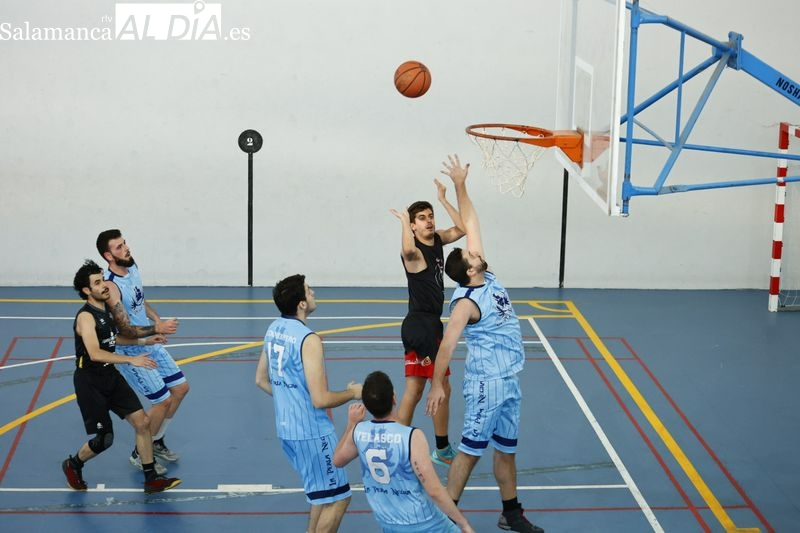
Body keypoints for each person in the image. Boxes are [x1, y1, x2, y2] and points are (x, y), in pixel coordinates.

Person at [425, 155, 545, 533]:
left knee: (506, 450)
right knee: (469, 452)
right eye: (471, 254)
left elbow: (471, 221)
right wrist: (436, 384)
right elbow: (446, 345)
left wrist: (460, 185)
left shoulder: (486, 277)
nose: (475, 249)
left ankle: (510, 513)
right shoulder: (465, 303)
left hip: (509, 380)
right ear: (470, 269)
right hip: (484, 384)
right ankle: (444, 518)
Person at [62, 259, 181, 494]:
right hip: (90, 382)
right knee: (104, 439)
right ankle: (73, 464)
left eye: (103, 279)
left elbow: (114, 340)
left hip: (110, 375)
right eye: (97, 283)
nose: (104, 285)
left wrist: (145, 341)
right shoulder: (85, 317)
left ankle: (151, 479)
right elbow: (95, 352)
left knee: (143, 422)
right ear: (87, 290)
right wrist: (131, 359)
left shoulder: (105, 309)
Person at [255, 274, 362, 533]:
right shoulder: (308, 339)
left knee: (319, 493)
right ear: (301, 304)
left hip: (287, 430)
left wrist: (290, 399)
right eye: (309, 290)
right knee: (339, 497)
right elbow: (321, 399)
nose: (313, 292)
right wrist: (352, 393)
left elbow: (260, 379)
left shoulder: (273, 329)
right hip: (311, 432)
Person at [333, 370, 475, 533]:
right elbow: (434, 490)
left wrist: (351, 424)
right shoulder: (411, 437)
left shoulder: (359, 432)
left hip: (387, 522)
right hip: (423, 522)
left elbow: (337, 460)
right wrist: (463, 523)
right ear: (394, 398)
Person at [96, 229, 189, 474]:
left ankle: (155, 441)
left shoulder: (132, 266)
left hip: (150, 340)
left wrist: (156, 318)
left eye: (124, 243)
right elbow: (123, 330)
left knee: (180, 389)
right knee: (161, 401)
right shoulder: (110, 287)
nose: (125, 248)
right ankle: (141, 453)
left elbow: (139, 299)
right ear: (108, 255)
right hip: (131, 352)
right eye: (118, 247)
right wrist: (155, 328)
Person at [390, 179, 465, 467]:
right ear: (412, 225)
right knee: (442, 386)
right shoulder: (414, 253)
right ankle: (442, 449)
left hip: (427, 325)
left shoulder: (436, 242)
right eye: (421, 218)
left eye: (430, 216)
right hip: (421, 326)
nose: (429, 221)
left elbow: (461, 229)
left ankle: (401, 444)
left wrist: (444, 200)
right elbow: (407, 252)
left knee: (417, 389)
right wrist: (403, 223)